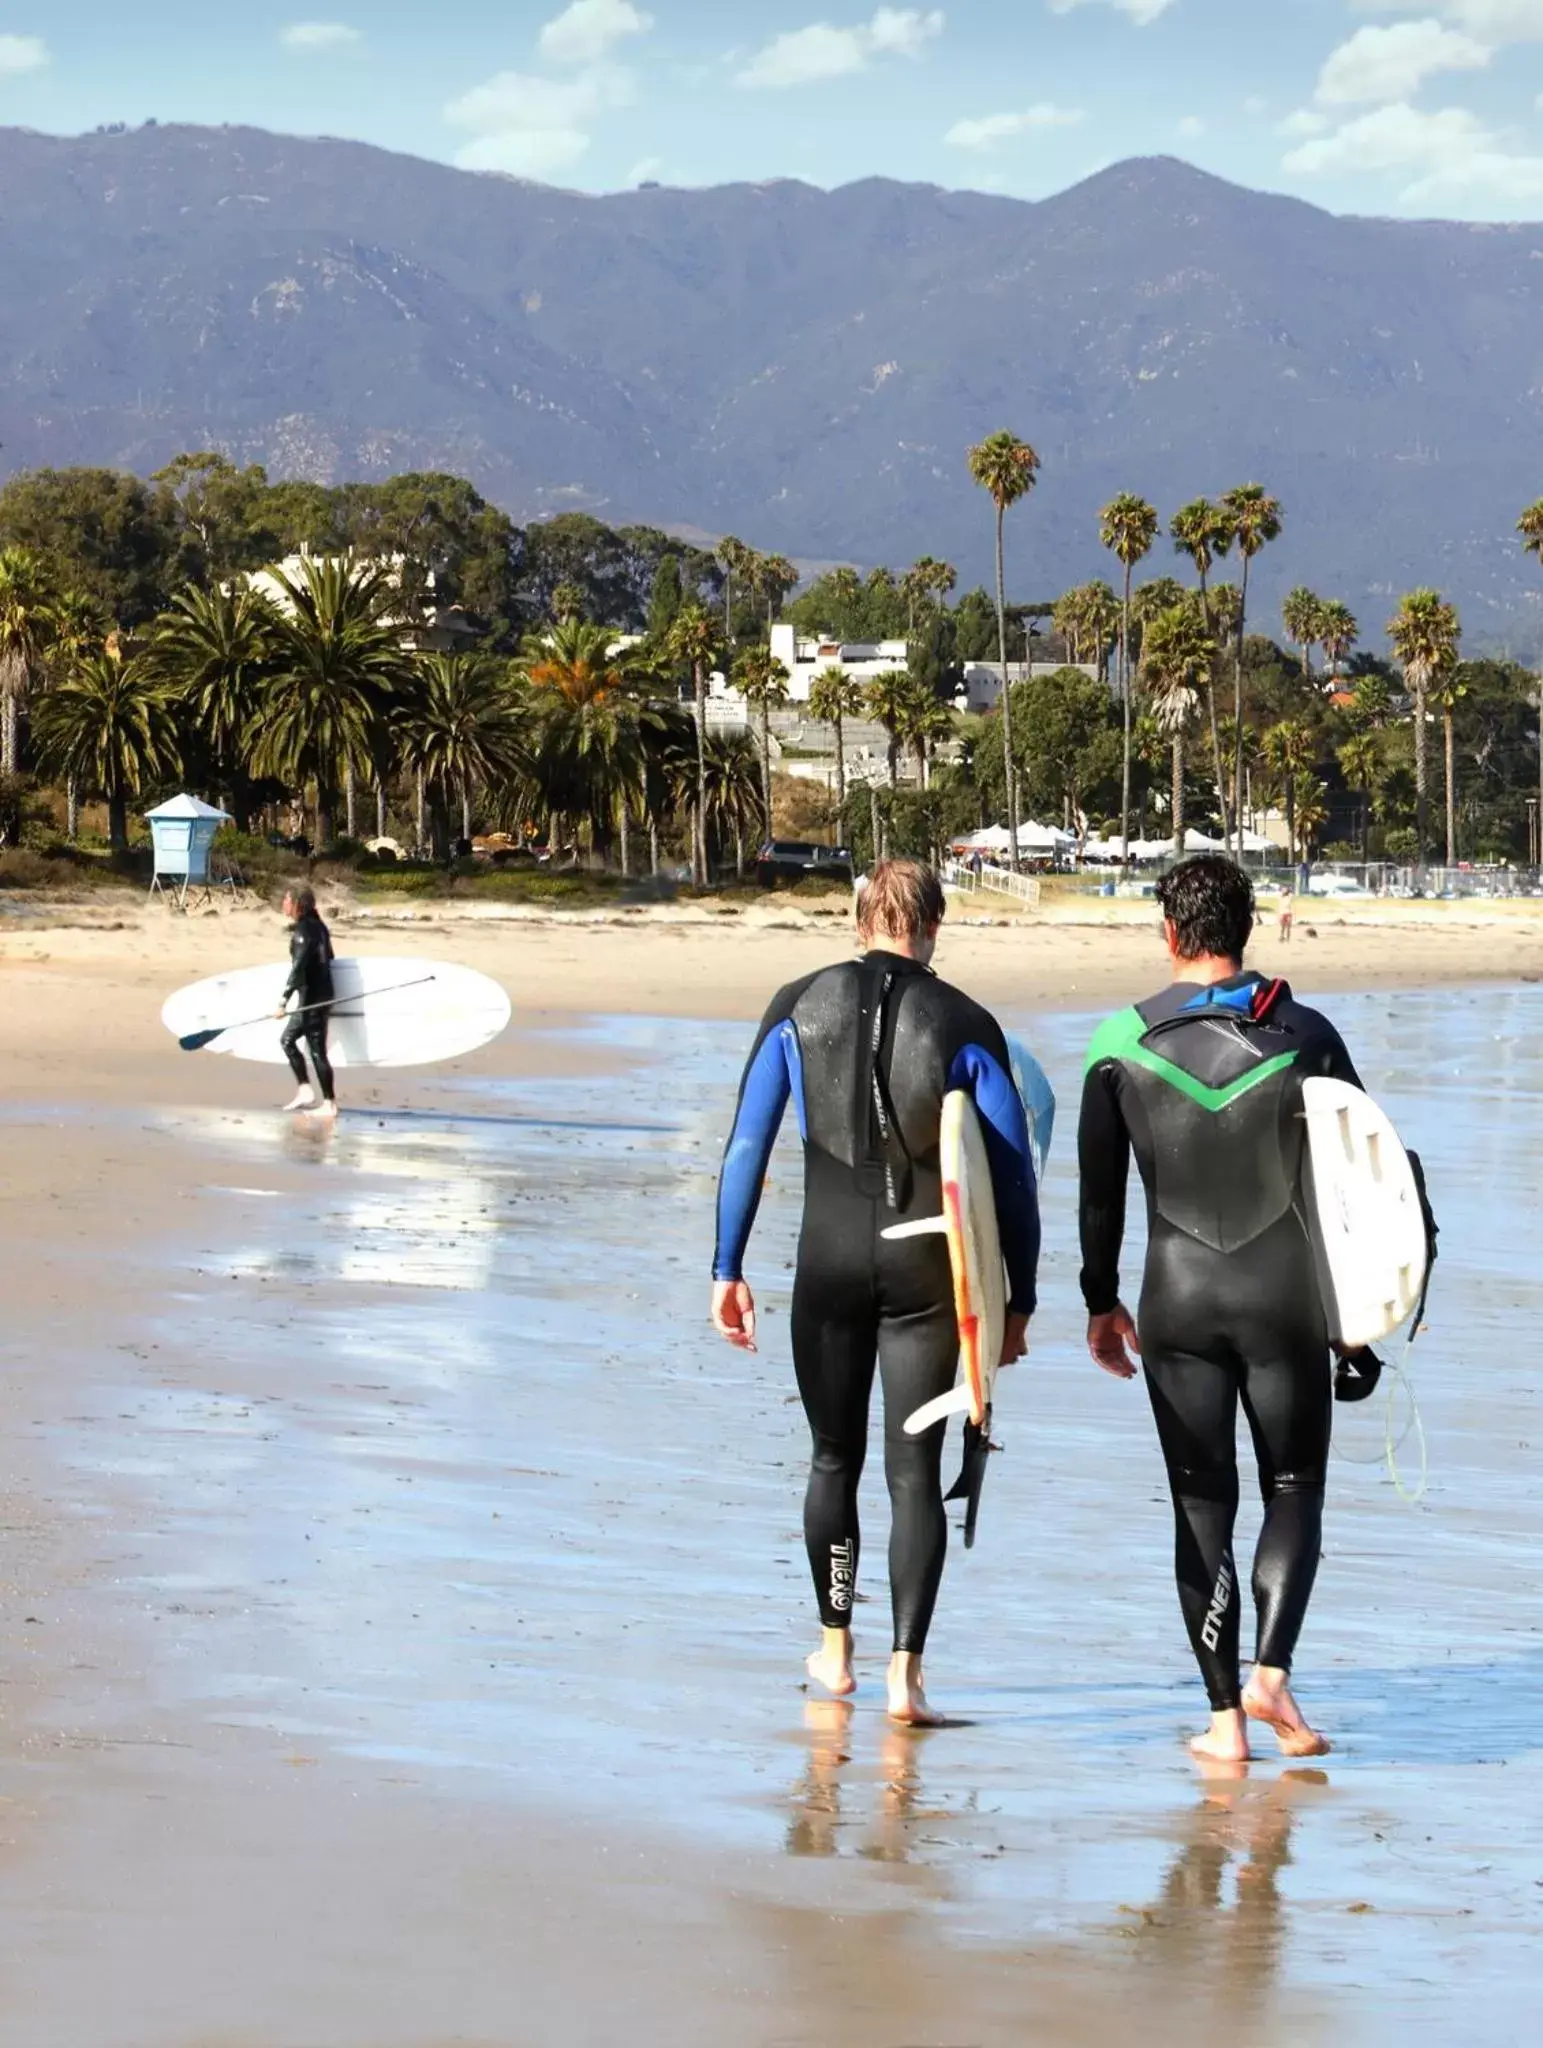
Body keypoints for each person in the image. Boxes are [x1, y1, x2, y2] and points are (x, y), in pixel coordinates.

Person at [711, 858, 1041, 1726]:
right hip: (925, 1271)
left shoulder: (795, 1004)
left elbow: (748, 1143)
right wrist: (1018, 1302)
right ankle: (906, 1676)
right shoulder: (965, 1021)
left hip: (825, 1261)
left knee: (830, 1459)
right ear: (932, 925)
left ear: (858, 919)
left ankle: (832, 1649)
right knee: (911, 1474)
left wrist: (727, 1267)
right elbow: (1009, 1178)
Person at [1077, 855, 1364, 1764]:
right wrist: (1372, 1301)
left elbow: (1098, 1199)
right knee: (1293, 1489)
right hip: (1286, 1301)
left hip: (1176, 1304)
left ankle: (1221, 1724)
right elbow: (1369, 1180)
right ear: (1243, 931)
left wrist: (1099, 1301)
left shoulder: (1115, 1047)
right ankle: (1270, 1672)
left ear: (1167, 934)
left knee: (1201, 1509)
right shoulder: (1307, 1034)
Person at [275, 885, 338, 1119]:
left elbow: (298, 969)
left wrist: (283, 1002)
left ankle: (329, 1103)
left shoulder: (302, 932)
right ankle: (306, 1091)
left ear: (297, 904)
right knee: (291, 1041)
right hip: (323, 994)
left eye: (286, 899)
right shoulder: (320, 927)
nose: (283, 903)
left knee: (315, 1050)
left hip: (311, 999)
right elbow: (330, 958)